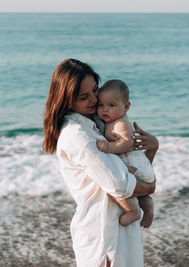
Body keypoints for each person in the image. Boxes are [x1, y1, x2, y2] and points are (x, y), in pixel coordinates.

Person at [43, 59, 159, 267]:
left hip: (121, 226)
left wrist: (151, 150)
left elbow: (130, 171)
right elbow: (120, 184)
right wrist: (151, 186)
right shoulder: (78, 134)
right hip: (105, 235)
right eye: (83, 97)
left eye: (95, 91)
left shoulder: (98, 124)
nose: (94, 100)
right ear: (67, 100)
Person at [96, 79, 155, 228]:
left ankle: (133, 212)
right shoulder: (113, 120)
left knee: (118, 187)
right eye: (101, 105)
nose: (105, 110)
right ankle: (148, 209)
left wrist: (109, 147)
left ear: (126, 106)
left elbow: (127, 143)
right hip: (141, 166)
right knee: (144, 194)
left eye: (111, 105)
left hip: (133, 165)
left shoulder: (120, 123)